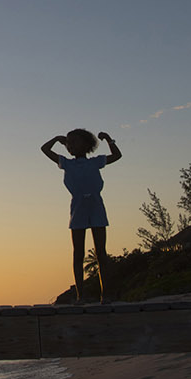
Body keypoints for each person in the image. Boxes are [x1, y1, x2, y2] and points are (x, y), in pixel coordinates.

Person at [40, 128, 123, 303]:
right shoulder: (66, 163)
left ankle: (105, 294)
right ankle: (81, 295)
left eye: (75, 142)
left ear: (86, 145)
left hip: (96, 206)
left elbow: (116, 155)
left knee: (101, 253)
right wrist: (57, 138)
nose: (71, 146)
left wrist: (109, 139)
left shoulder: (95, 162)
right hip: (78, 208)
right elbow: (45, 149)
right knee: (78, 253)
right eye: (69, 143)